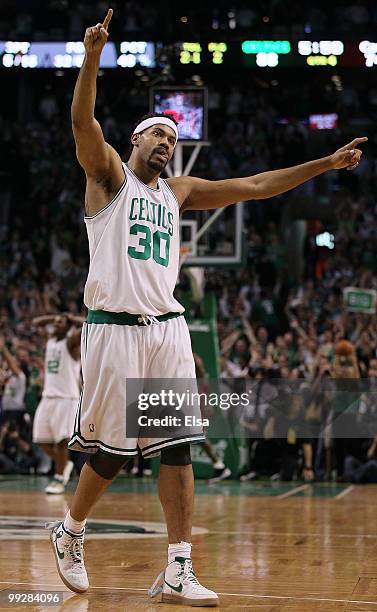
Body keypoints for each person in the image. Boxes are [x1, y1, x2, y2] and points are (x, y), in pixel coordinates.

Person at [46, 8, 367, 607]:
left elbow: (255, 185)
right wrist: (91, 56)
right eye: (157, 135)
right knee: (110, 454)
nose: (167, 143)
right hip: (113, 330)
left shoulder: (180, 192)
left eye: (173, 138)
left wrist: (324, 164)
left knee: (178, 446)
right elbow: (81, 119)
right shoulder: (108, 175)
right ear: (136, 140)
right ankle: (71, 530)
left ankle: (177, 567)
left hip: (167, 329)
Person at [32, 313, 82, 494]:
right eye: (54, 323)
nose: (55, 325)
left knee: (62, 442)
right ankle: (66, 464)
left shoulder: (71, 344)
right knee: (41, 439)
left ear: (68, 327)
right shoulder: (50, 341)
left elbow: (88, 324)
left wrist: (71, 318)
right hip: (48, 398)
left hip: (66, 398)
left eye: (60, 323)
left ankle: (59, 479)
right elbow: (35, 322)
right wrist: (56, 317)